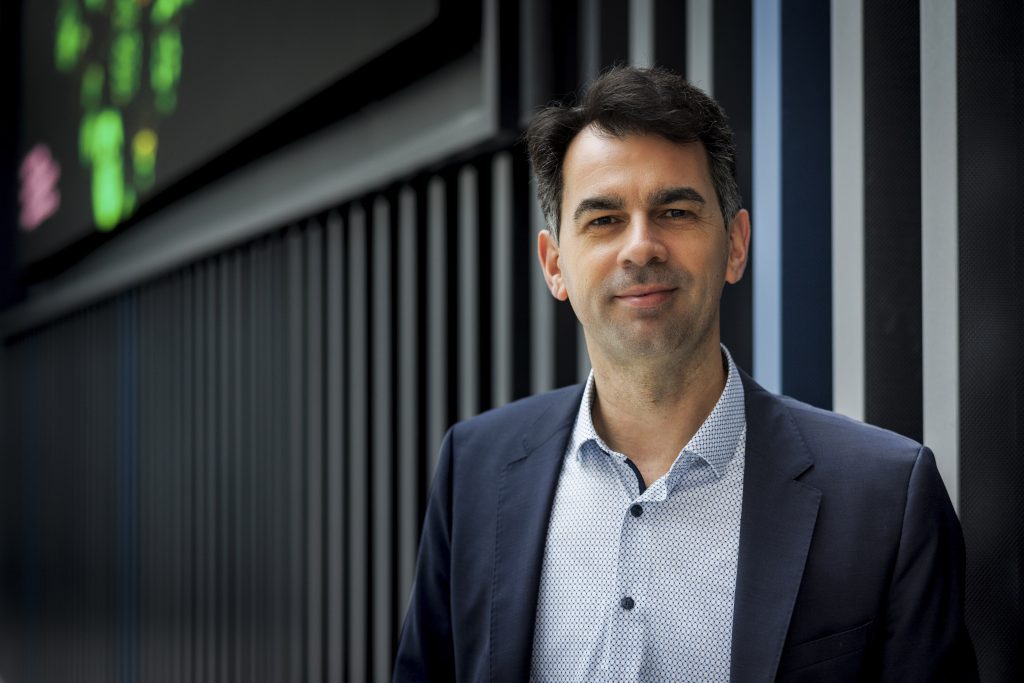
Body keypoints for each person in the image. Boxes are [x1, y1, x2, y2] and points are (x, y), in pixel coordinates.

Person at [393, 66, 976, 682]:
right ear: (554, 264)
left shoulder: (886, 499)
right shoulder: (473, 470)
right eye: (603, 219)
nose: (641, 247)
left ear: (736, 244)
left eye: (674, 210)